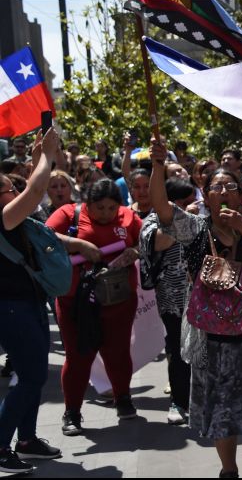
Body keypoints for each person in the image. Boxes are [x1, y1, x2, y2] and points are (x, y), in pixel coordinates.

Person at [148, 141, 242, 479]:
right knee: (220, 407)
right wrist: (156, 166)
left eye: (230, 186)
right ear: (206, 195)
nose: (223, 190)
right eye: (216, 186)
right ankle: (228, 470)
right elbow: (161, 210)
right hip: (212, 336)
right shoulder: (195, 226)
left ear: (240, 194)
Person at [47, 178, 144, 436]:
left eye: (112, 208)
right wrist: (77, 244)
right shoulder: (68, 214)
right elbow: (43, 236)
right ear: (87, 203)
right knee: (78, 357)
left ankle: (123, 398)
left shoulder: (128, 217)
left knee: (118, 353)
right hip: (75, 303)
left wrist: (134, 252)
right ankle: (72, 413)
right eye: (99, 207)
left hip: (118, 302)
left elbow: (145, 242)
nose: (106, 213)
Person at [0, 129, 65, 474]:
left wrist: (38, 157)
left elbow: (30, 189)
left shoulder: (9, 213)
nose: (15, 191)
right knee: (29, 377)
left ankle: (26, 440)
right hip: (11, 308)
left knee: (34, 375)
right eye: (8, 188)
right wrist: (48, 157)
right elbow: (37, 189)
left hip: (28, 303)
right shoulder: (4, 218)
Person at [139, 178, 200, 425]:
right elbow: (158, 242)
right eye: (183, 202)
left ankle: (203, 399)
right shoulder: (153, 221)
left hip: (203, 295)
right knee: (177, 348)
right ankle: (178, 400)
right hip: (172, 297)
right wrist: (182, 219)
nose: (190, 205)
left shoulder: (199, 217)